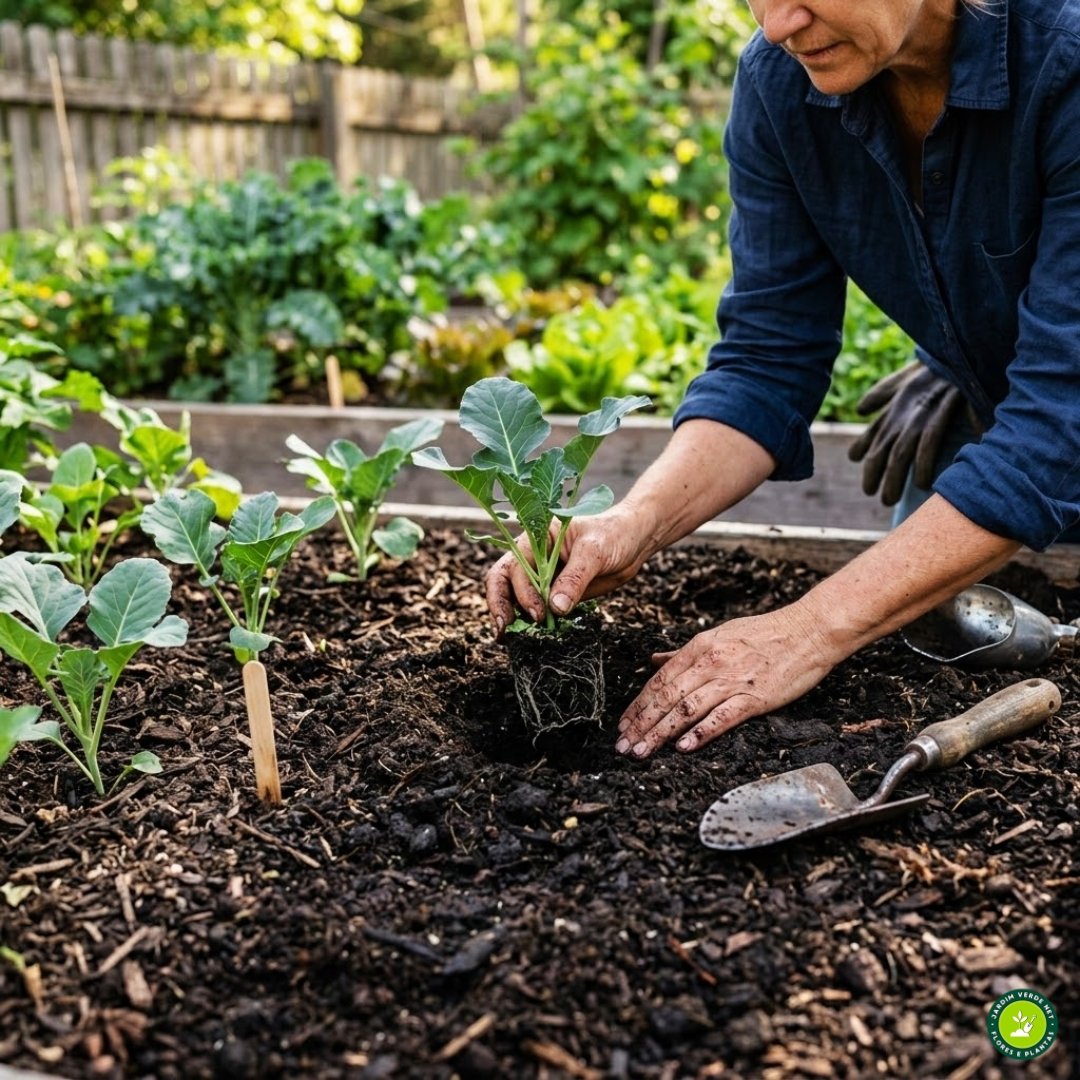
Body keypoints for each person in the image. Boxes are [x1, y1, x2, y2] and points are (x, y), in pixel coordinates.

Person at [486, 0, 1080, 760]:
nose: (775, 25)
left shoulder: (1062, 61)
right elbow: (768, 359)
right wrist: (637, 521)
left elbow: (1056, 427)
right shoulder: (781, 84)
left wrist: (808, 629)